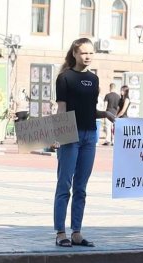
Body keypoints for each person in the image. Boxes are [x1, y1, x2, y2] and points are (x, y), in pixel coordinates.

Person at [52, 38, 115, 248]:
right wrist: (57, 136)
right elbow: (62, 109)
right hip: (70, 134)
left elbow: (89, 109)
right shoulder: (64, 78)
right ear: (75, 54)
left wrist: (105, 113)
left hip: (90, 135)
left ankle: (76, 231)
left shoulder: (93, 79)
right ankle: (61, 232)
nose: (87, 56)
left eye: (91, 53)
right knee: (64, 184)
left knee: (81, 187)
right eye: (83, 53)